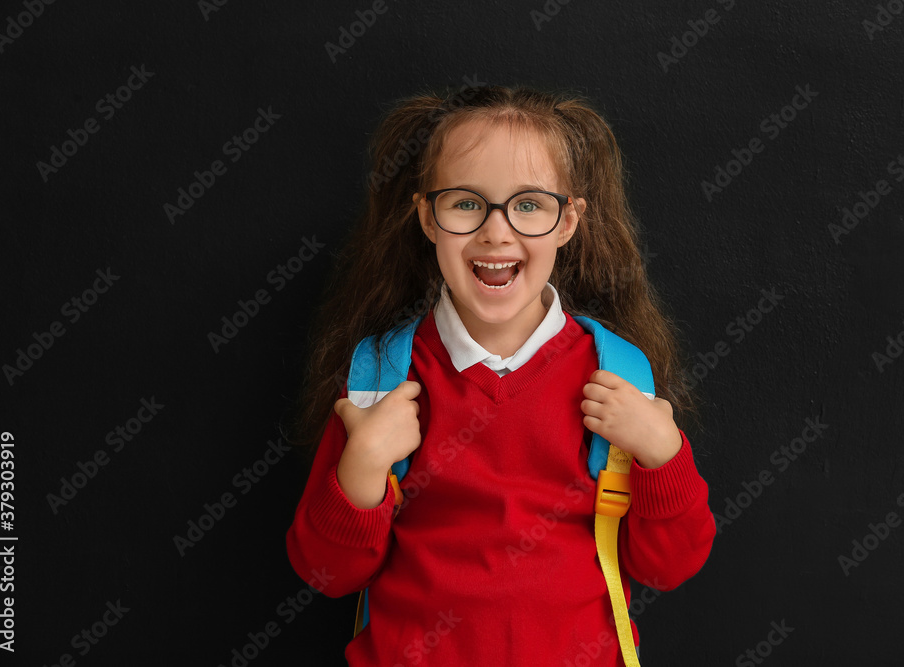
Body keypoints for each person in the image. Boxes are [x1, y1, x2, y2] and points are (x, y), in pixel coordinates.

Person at [285, 83, 716, 666]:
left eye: (529, 204)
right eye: (466, 202)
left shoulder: (620, 377)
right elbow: (327, 574)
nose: (497, 231)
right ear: (426, 217)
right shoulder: (381, 376)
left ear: (568, 221)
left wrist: (665, 456)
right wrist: (360, 468)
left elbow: (666, 568)